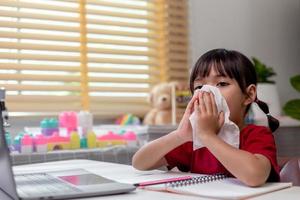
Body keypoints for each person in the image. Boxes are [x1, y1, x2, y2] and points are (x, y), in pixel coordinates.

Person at [132, 49, 280, 187]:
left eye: (221, 83)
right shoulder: (193, 141)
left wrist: (208, 135)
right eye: (199, 87)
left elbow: (254, 176)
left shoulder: (257, 134)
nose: (208, 92)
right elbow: (139, 162)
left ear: (248, 95)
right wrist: (179, 135)